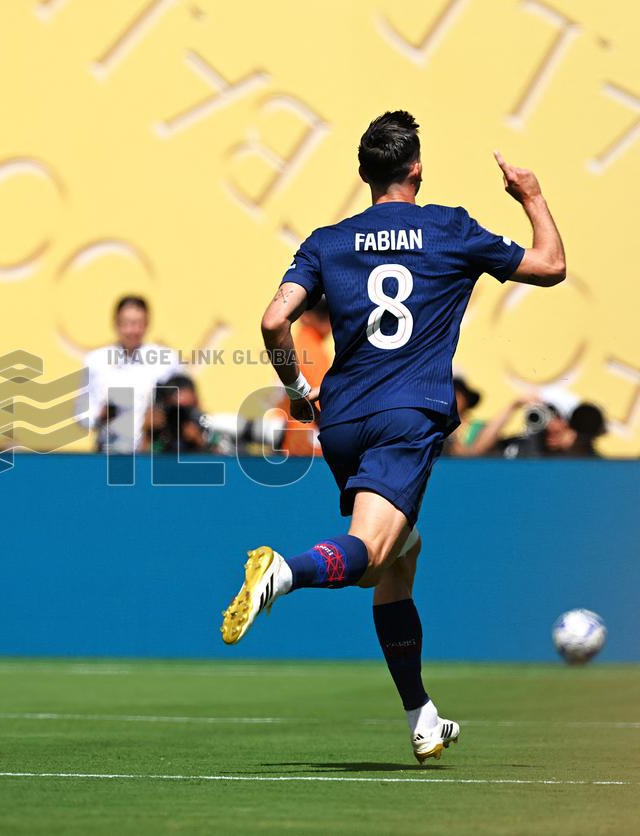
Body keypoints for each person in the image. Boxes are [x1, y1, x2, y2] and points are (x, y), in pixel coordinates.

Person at [220, 111, 565, 763]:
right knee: (371, 554)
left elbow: (272, 322)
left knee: (397, 559)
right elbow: (550, 265)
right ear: (417, 170)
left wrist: (297, 394)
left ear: (363, 176)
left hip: (343, 420)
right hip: (409, 414)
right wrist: (532, 197)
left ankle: (421, 716)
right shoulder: (449, 228)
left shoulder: (328, 241)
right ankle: (280, 574)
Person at [78, 295, 182, 452]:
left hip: (153, 452)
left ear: (147, 324)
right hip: (109, 451)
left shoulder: (166, 360)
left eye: (138, 323)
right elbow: (82, 414)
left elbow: (182, 402)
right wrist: (100, 416)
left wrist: (162, 417)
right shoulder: (96, 361)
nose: (132, 330)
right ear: (115, 323)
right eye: (126, 323)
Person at [282, 297, 331, 457]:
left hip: (294, 440)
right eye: (321, 312)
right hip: (309, 444)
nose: (328, 319)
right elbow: (324, 404)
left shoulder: (296, 345)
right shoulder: (311, 350)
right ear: (304, 315)